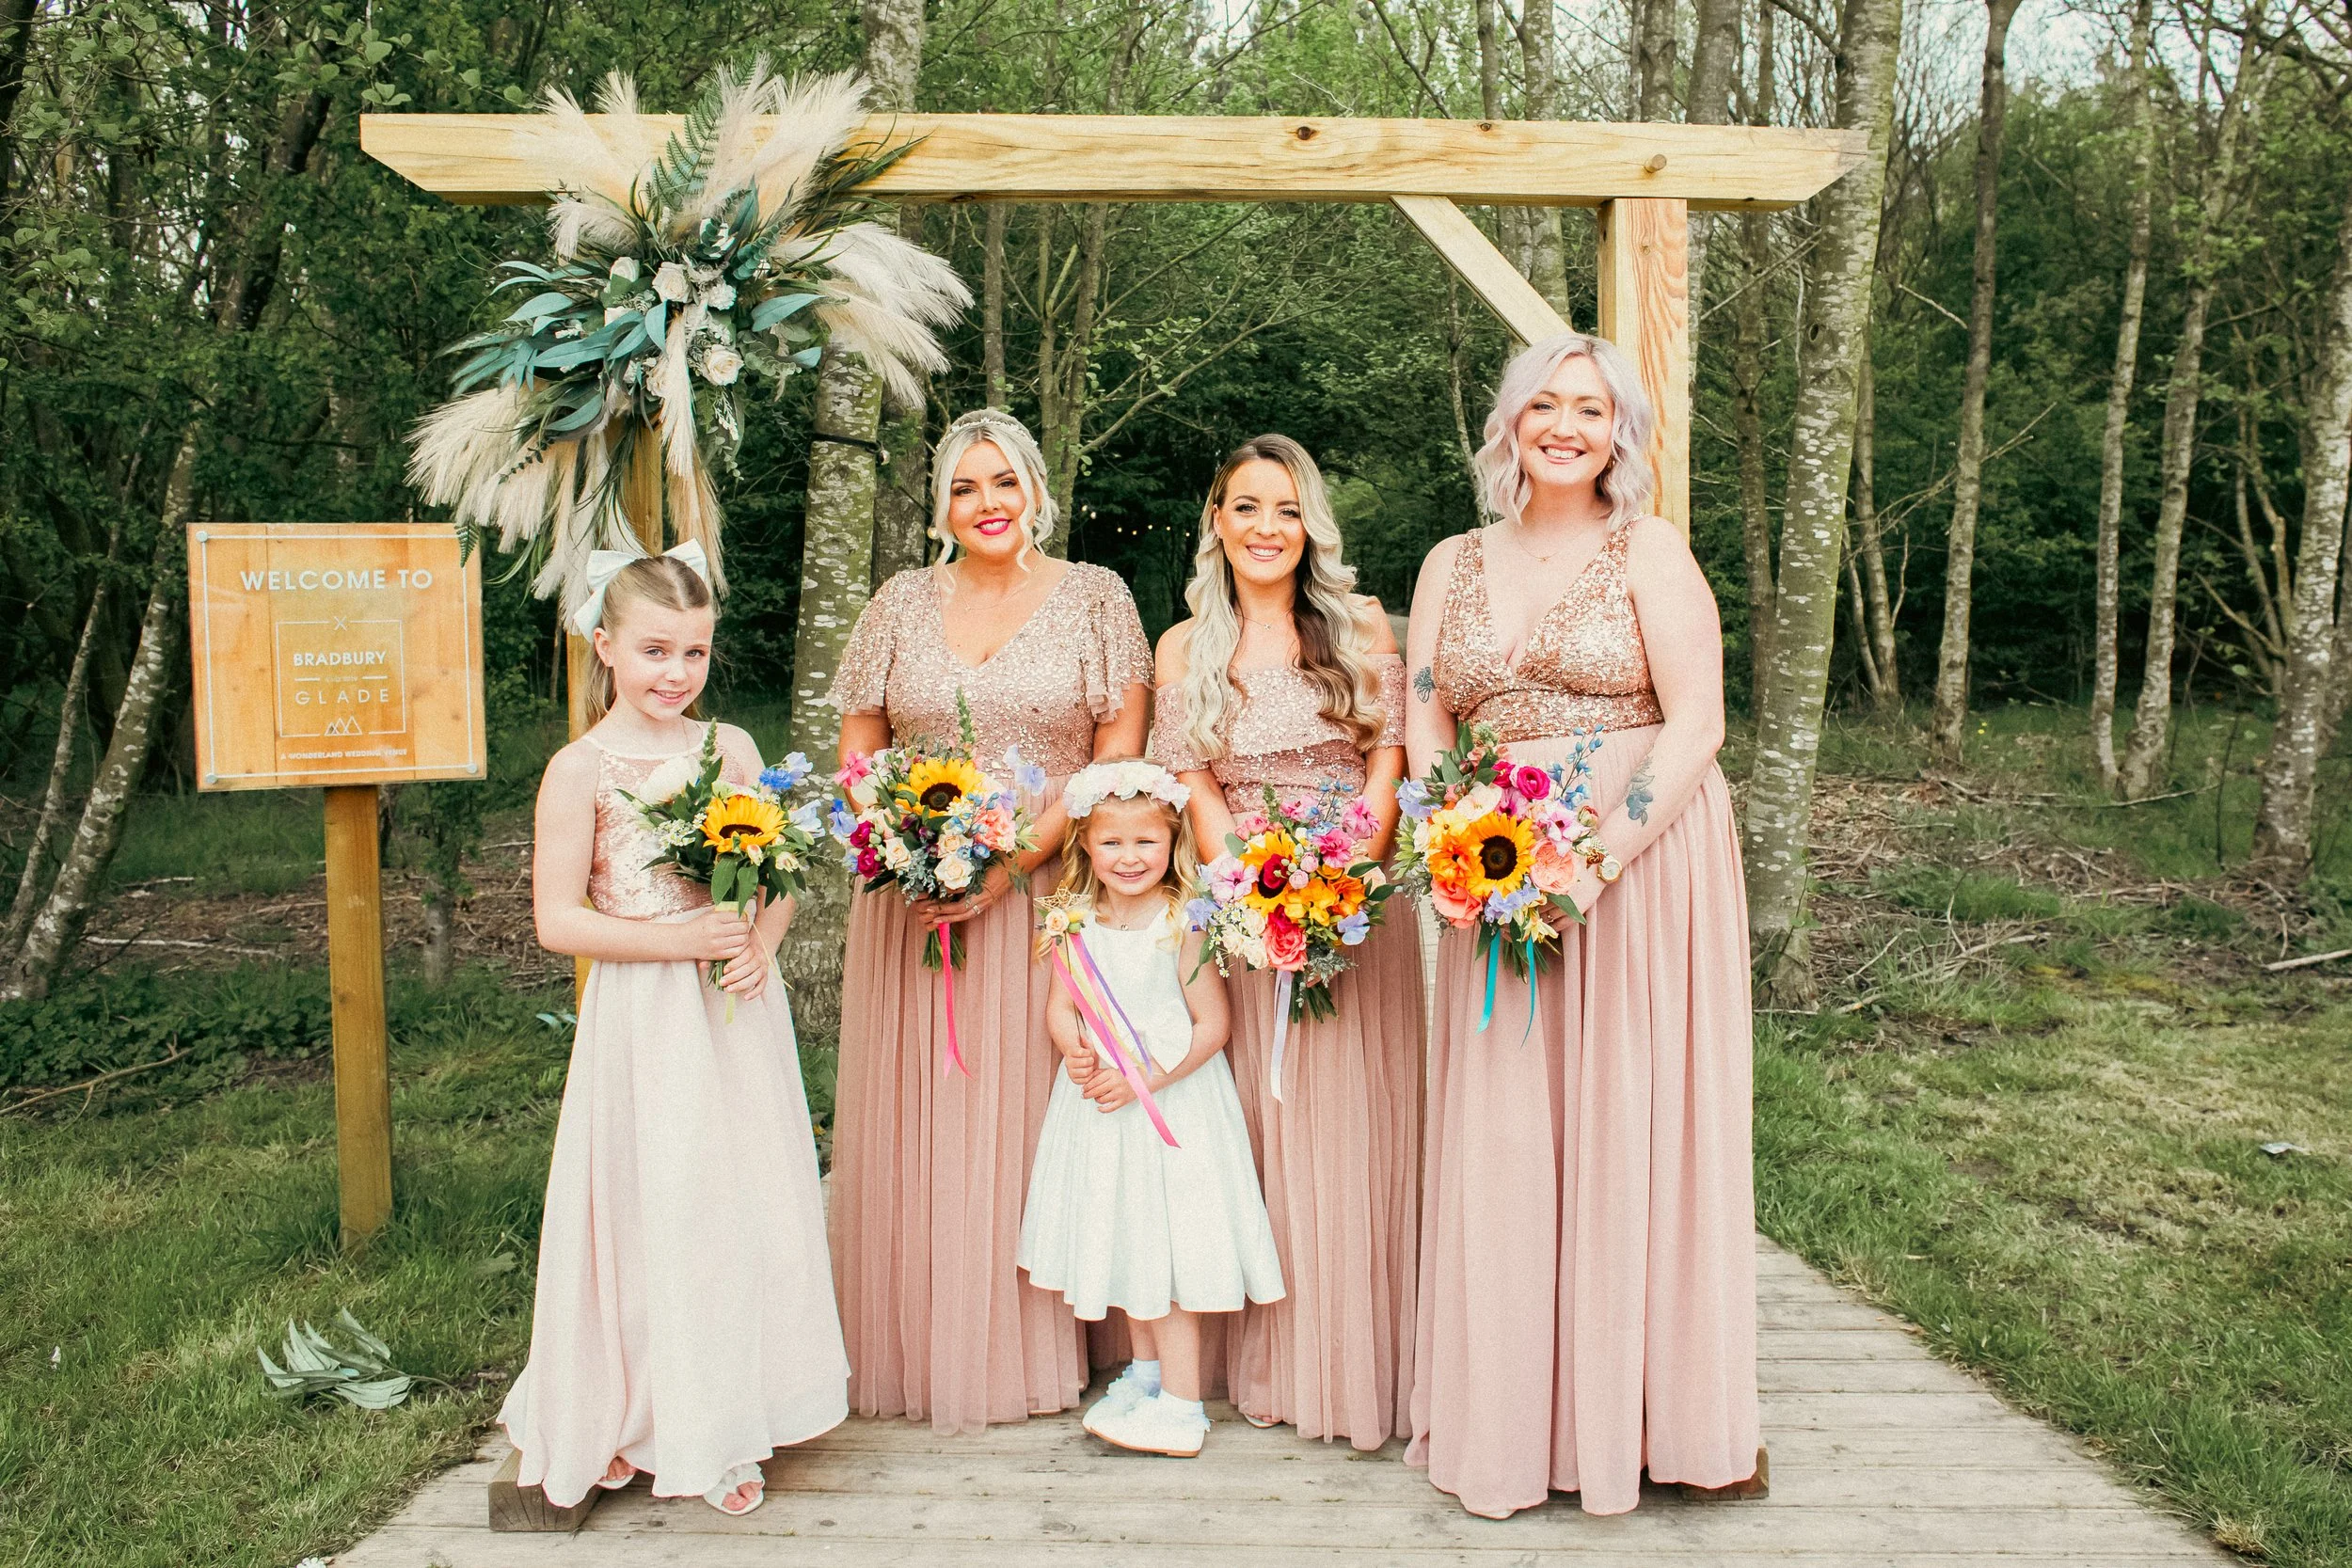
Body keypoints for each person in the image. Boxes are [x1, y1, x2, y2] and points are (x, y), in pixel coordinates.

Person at [1402, 332, 1761, 1517]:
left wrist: (1592, 864)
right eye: (1545, 403)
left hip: (1637, 865)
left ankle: (1651, 1414)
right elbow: (1424, 722)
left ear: (1621, 435)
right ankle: (1515, 1414)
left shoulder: (1647, 548)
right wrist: (1456, 843)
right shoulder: (1448, 559)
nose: (1566, 425)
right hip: (1492, 867)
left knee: (1628, 1120)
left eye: (1592, 410)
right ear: (1509, 422)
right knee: (1509, 1130)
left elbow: (1699, 722)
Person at [830, 409, 1154, 1433]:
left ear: (1036, 489)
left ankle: (1048, 1338)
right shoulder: (894, 603)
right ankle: (918, 1334)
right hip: (915, 904)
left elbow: (1117, 757)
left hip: (1046, 892)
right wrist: (896, 847)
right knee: (920, 1113)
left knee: (1032, 1108)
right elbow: (859, 747)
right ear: (942, 505)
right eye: (965, 488)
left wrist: (1009, 864)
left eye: (1003, 482)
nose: (987, 505)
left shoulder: (1097, 597)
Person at [505, 545, 847, 1517]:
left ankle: (729, 1412)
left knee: (737, 1197)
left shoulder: (730, 749)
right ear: (604, 644)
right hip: (645, 1017)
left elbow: (776, 872)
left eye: (693, 653)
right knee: (654, 1200)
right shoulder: (580, 770)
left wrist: (762, 942)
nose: (674, 673)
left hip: (732, 1011)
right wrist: (676, 937)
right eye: (654, 649)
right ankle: (631, 1408)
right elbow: (556, 919)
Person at [1148, 435, 1422, 1449]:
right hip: (1244, 899)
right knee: (1257, 1128)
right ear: (1215, 519)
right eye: (1246, 507)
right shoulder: (1182, 647)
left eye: (1286, 509)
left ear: (1311, 526)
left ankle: (1352, 1352)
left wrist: (1338, 874)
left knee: (1347, 1119)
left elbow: (1388, 762)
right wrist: (1252, 891)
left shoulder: (1358, 625)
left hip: (1351, 898)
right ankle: (1253, 1353)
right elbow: (1193, 784)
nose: (1266, 528)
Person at [1019, 759, 1285, 1457]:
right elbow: (1060, 1008)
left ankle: (1183, 1404)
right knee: (1125, 1240)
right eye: (1112, 843)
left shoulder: (1182, 922)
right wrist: (1073, 1049)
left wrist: (1148, 1074)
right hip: (1100, 1108)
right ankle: (1143, 1374)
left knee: (1167, 1253)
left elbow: (1211, 1027)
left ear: (1172, 843)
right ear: (1084, 845)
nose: (1129, 857)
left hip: (1172, 1106)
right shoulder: (1071, 920)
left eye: (1146, 843)